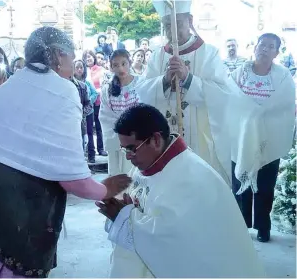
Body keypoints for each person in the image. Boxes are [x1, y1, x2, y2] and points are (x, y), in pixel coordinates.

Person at [0, 26, 131, 278]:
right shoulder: (62, 89)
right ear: (59, 56)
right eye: (71, 56)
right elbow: (72, 177)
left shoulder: (15, 82)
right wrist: (105, 190)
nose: (72, 63)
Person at [97, 104, 266, 278]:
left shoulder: (192, 179)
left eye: (132, 149)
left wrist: (124, 217)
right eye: (124, 149)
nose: (127, 156)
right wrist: (120, 210)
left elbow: (174, 243)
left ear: (155, 140)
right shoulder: (147, 165)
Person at [138, 0, 232, 184]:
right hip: (164, 132)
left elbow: (223, 95)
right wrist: (164, 81)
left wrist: (188, 79)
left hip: (199, 136)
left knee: (198, 184)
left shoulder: (208, 53)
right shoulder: (158, 56)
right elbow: (142, 92)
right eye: (166, 25)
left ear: (190, 20)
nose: (171, 31)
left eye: (177, 23)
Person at [228, 33, 296, 242]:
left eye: (270, 46)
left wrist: (258, 113)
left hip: (269, 137)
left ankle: (263, 227)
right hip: (241, 137)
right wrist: (250, 113)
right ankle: (241, 226)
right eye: (262, 44)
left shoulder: (283, 76)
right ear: (255, 47)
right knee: (240, 181)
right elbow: (230, 98)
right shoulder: (240, 73)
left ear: (276, 53)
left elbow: (285, 102)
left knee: (266, 185)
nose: (264, 49)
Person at [100, 49, 140, 176]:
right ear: (111, 67)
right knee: (117, 174)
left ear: (130, 63)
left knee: (135, 173)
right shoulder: (107, 89)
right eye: (116, 65)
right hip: (116, 136)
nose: (120, 68)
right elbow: (105, 115)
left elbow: (145, 109)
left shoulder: (140, 83)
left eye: (124, 63)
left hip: (136, 135)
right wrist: (120, 129)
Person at [83, 49, 108, 158]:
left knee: (99, 126)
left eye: (90, 56)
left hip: (98, 101)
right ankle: (89, 150)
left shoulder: (101, 70)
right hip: (86, 105)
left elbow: (104, 85)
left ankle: (101, 148)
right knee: (87, 129)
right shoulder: (81, 69)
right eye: (86, 57)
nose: (88, 58)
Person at [74, 59, 99, 162]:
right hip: (76, 113)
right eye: (77, 67)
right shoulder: (70, 82)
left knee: (89, 133)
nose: (79, 70)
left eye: (81, 67)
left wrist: (89, 102)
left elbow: (95, 94)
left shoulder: (87, 83)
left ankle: (91, 155)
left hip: (88, 112)